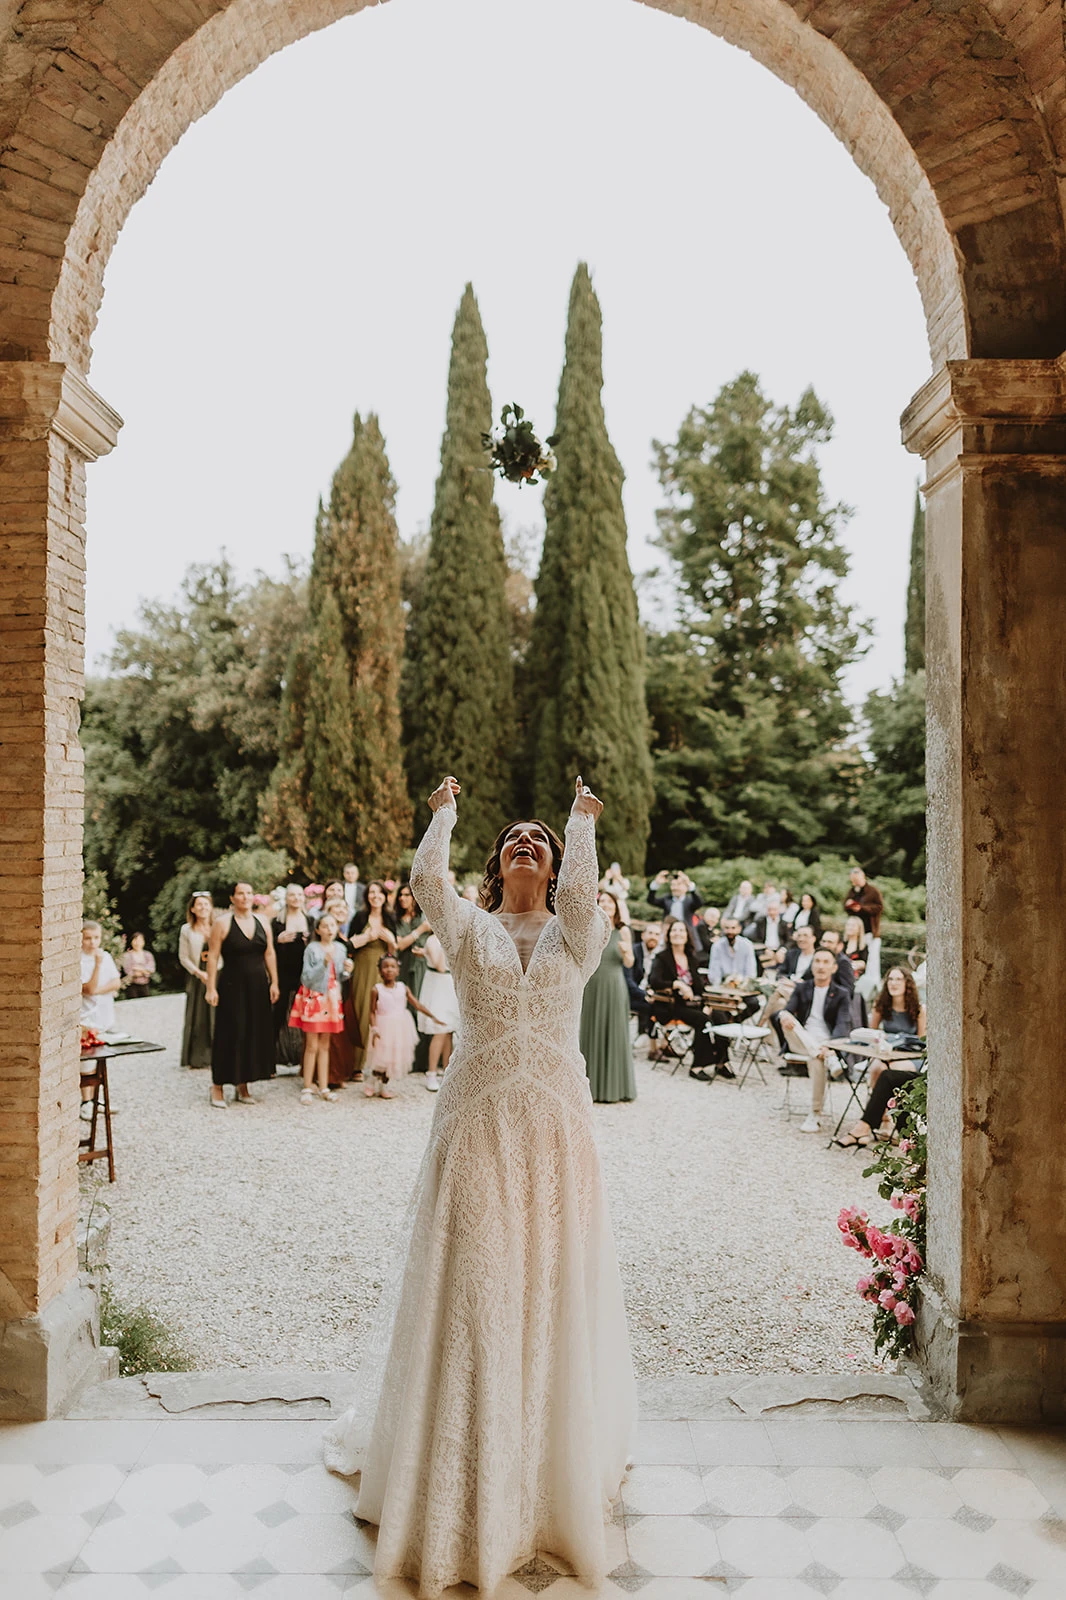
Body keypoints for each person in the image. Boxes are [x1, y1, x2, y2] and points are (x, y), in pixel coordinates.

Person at [323, 775, 635, 1593]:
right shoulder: (467, 928)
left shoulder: (579, 933)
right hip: (476, 1122)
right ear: (496, 865)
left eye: (539, 841)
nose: (525, 844)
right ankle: (460, 1465)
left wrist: (579, 821)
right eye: (512, 840)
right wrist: (444, 814)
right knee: (474, 1285)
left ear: (556, 865)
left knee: (549, 1281)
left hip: (555, 1125)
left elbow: (582, 895)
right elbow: (427, 880)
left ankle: (545, 1470)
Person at [205, 882, 279, 1107]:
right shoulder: (222, 923)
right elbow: (213, 956)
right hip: (232, 986)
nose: (245, 897)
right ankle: (217, 1086)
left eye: (249, 893)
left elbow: (269, 953)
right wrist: (210, 987)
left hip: (258, 986)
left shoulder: (263, 921)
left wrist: (274, 982)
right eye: (240, 893)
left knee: (251, 1033)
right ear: (232, 898)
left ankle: (243, 1084)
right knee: (230, 1033)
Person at [780, 949, 853, 1132]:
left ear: (834, 967)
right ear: (811, 966)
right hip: (799, 1040)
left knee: (816, 1058)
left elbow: (843, 1024)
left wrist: (830, 1047)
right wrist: (785, 1016)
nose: (821, 966)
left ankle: (815, 1113)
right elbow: (788, 1010)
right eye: (817, 961)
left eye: (826, 962)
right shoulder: (802, 988)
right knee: (785, 1017)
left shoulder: (842, 993)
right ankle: (827, 1056)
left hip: (825, 1044)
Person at [287, 911, 350, 1104]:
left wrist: (348, 971)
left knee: (325, 1045)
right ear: (318, 930)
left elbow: (339, 976)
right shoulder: (312, 949)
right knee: (311, 1045)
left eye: (332, 925)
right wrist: (323, 963)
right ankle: (307, 1086)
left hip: (332, 999)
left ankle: (324, 1087)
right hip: (314, 998)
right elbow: (306, 977)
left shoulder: (340, 948)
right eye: (325, 926)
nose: (329, 929)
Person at [580, 890, 636, 1102]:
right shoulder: (589, 929)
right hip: (592, 985)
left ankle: (616, 1088)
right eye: (601, 901)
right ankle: (590, 1089)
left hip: (614, 985)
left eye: (609, 902)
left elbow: (630, 963)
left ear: (616, 906)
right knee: (591, 1029)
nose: (606, 905)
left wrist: (626, 952)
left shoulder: (623, 931)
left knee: (615, 1031)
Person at [365, 952, 443, 1098]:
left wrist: (433, 1016)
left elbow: (417, 1004)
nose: (389, 969)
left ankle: (384, 1086)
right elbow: (372, 1011)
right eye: (385, 967)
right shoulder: (377, 989)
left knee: (392, 1058)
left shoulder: (403, 988)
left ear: (398, 970)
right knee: (381, 1057)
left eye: (393, 966)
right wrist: (374, 1028)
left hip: (400, 1028)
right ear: (380, 970)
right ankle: (371, 1081)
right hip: (383, 1027)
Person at [648, 917, 717, 1080]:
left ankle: (722, 1062)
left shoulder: (692, 958)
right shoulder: (662, 957)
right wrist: (677, 984)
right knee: (702, 1020)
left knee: (720, 1016)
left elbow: (699, 986)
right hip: (671, 1005)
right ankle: (697, 1067)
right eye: (674, 930)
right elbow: (654, 981)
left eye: (681, 930)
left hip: (692, 1004)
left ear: (687, 935)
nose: (677, 933)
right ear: (669, 935)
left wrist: (707, 1003)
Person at [347, 883, 397, 1078]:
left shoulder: (390, 918)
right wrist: (366, 938)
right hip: (363, 967)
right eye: (371, 893)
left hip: (383, 970)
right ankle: (356, 1065)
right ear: (367, 896)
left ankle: (380, 1065)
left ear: (385, 896)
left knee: (382, 1013)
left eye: (379, 892)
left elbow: (393, 952)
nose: (375, 896)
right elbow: (349, 945)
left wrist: (391, 941)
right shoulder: (360, 917)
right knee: (361, 1011)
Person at [80, 922, 122, 1119]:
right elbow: (87, 989)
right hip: (86, 1017)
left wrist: (98, 990)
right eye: (88, 938)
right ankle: (86, 1101)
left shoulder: (105, 956)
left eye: (96, 938)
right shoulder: (80, 960)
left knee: (101, 1061)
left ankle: (98, 1099)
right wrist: (97, 965)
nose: (92, 942)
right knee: (86, 1063)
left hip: (104, 1014)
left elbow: (116, 982)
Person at [417, 929, 460, 1091]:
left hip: (450, 984)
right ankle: (431, 1072)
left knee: (448, 1030)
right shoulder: (432, 940)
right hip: (437, 985)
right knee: (440, 1030)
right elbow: (440, 966)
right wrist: (446, 943)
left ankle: (446, 1071)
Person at [272, 885, 310, 1069]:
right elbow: (267, 948)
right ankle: (269, 1061)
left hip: (305, 974)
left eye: (299, 895)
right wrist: (277, 940)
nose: (296, 898)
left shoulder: (310, 920)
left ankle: (306, 1062)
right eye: (292, 895)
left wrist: (310, 941)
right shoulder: (277, 922)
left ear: (304, 897)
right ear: (286, 898)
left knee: (306, 1016)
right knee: (277, 1015)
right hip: (283, 974)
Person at [178, 892, 214, 1069]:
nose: (203, 908)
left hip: (218, 972)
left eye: (206, 904)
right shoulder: (187, 929)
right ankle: (197, 1057)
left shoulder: (217, 926)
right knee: (198, 1017)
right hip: (198, 974)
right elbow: (183, 957)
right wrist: (199, 973)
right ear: (192, 909)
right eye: (199, 904)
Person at [707, 917, 758, 985]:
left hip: (743, 985)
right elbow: (714, 973)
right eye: (727, 928)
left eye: (733, 928)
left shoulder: (747, 945)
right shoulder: (717, 946)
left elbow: (751, 972)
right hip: (723, 985)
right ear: (723, 929)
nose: (730, 931)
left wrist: (742, 984)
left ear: (739, 929)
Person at [844, 867, 884, 939]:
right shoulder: (851, 891)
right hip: (855, 930)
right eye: (853, 880)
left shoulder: (873, 891)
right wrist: (848, 905)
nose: (854, 883)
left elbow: (879, 907)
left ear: (863, 877)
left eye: (856, 880)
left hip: (869, 930)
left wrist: (861, 908)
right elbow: (845, 907)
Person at [750, 898, 788, 965]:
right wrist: (765, 949)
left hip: (780, 949)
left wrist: (782, 950)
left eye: (774, 910)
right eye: (770, 910)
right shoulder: (761, 922)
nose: (772, 912)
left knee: (782, 958)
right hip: (765, 949)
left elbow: (789, 940)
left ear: (779, 910)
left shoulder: (784, 923)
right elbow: (757, 938)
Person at [121, 932, 155, 997]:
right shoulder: (127, 956)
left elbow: (151, 969)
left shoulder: (148, 955)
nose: (137, 943)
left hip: (145, 985)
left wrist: (137, 968)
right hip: (131, 986)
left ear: (143, 942)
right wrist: (145, 971)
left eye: (139, 940)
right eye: (135, 940)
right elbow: (128, 971)